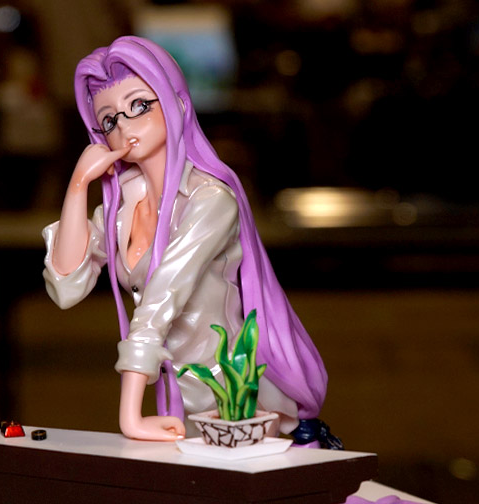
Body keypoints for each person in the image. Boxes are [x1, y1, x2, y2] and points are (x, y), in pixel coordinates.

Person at [42, 35, 332, 443]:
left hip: (230, 395)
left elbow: (162, 299)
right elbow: (67, 287)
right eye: (109, 120)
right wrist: (78, 186)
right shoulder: (121, 207)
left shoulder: (211, 199)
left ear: (177, 104)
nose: (124, 125)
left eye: (138, 106)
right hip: (174, 395)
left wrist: (130, 415)